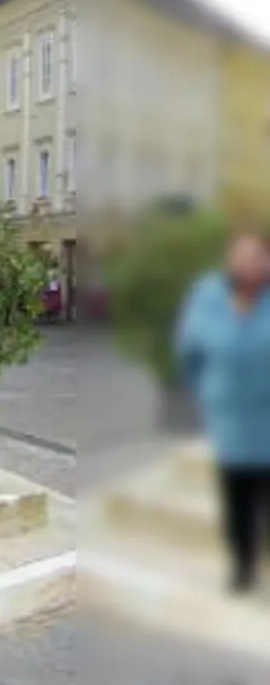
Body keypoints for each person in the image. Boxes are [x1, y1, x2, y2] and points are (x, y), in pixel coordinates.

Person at [174, 226, 270, 593]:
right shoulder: (209, 295)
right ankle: (244, 568)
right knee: (238, 498)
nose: (249, 264)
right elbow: (189, 350)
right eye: (242, 256)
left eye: (256, 256)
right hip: (230, 421)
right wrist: (206, 392)